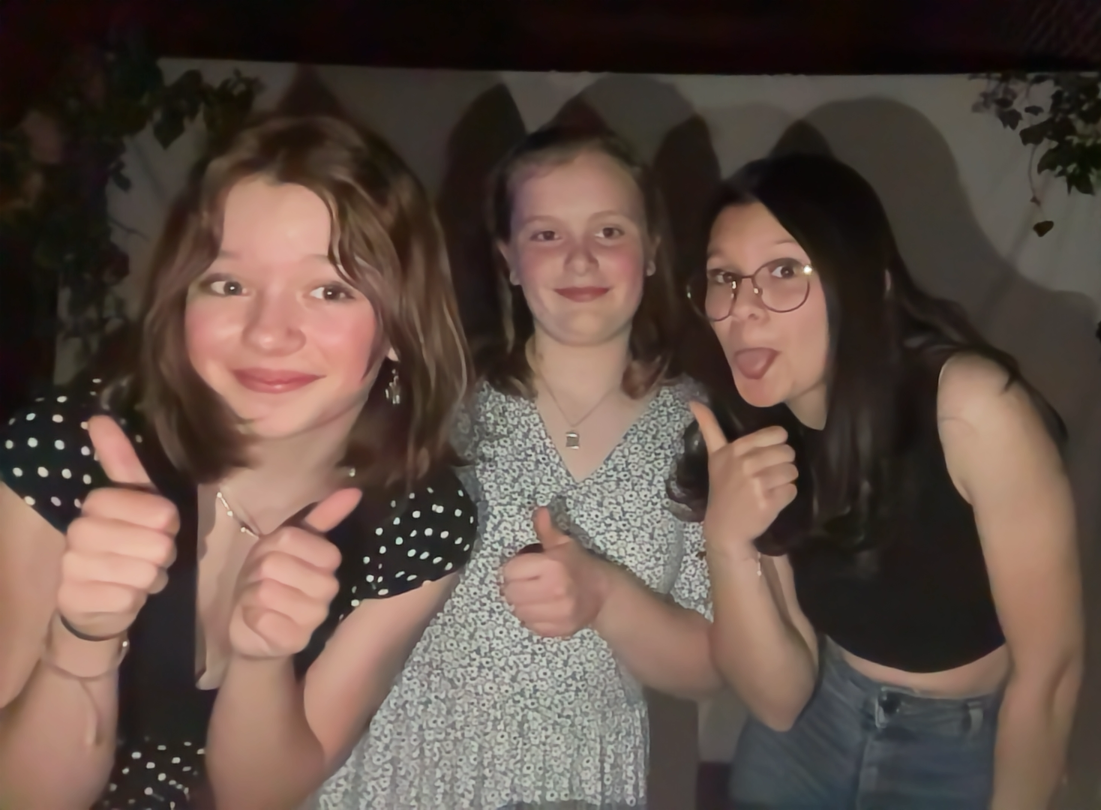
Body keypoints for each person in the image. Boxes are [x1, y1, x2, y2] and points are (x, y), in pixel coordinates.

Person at [0, 114, 479, 810]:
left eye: (330, 290)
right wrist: (83, 637)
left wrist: (263, 661)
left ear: (401, 326)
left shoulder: (421, 520)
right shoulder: (69, 450)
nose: (268, 333)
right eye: (228, 284)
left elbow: (260, 795)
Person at [320, 124, 719, 810]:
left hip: (577, 777)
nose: (580, 259)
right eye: (546, 234)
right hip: (405, 762)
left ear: (653, 249)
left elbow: (710, 664)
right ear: (508, 259)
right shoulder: (437, 401)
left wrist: (605, 597)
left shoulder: (699, 428)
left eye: (609, 231)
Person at [672, 152, 1084, 809]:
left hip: (958, 750)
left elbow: (1050, 673)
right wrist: (726, 542)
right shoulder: (747, 427)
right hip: (813, 730)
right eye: (725, 277)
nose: (742, 308)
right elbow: (778, 701)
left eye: (784, 271)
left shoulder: (970, 407)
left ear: (867, 285)